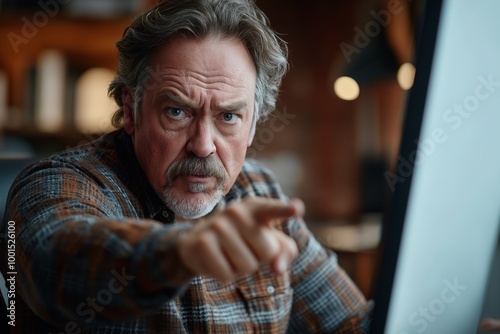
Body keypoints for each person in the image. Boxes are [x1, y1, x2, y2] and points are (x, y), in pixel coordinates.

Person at [0, 0, 372, 332]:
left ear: (254, 123)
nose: (203, 145)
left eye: (228, 116)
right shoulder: (55, 184)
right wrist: (183, 252)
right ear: (131, 110)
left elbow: (350, 321)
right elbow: (57, 267)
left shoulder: (261, 194)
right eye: (177, 112)